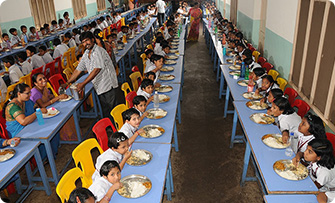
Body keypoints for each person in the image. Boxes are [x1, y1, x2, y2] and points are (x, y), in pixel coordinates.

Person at [63, 32, 118, 118]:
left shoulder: (98, 51)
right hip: (99, 86)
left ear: (92, 40)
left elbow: (97, 69)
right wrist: (67, 82)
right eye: (83, 42)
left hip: (108, 85)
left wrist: (83, 84)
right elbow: (78, 69)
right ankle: (109, 127)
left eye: (87, 40)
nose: (85, 44)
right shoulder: (86, 53)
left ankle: (115, 129)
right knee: (105, 110)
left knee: (112, 111)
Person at [303, 139, 335, 203]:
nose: (305, 152)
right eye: (306, 149)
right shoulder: (316, 160)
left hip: (326, 191)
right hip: (315, 181)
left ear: (319, 157)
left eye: (310, 152)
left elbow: (314, 187)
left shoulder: (325, 172)